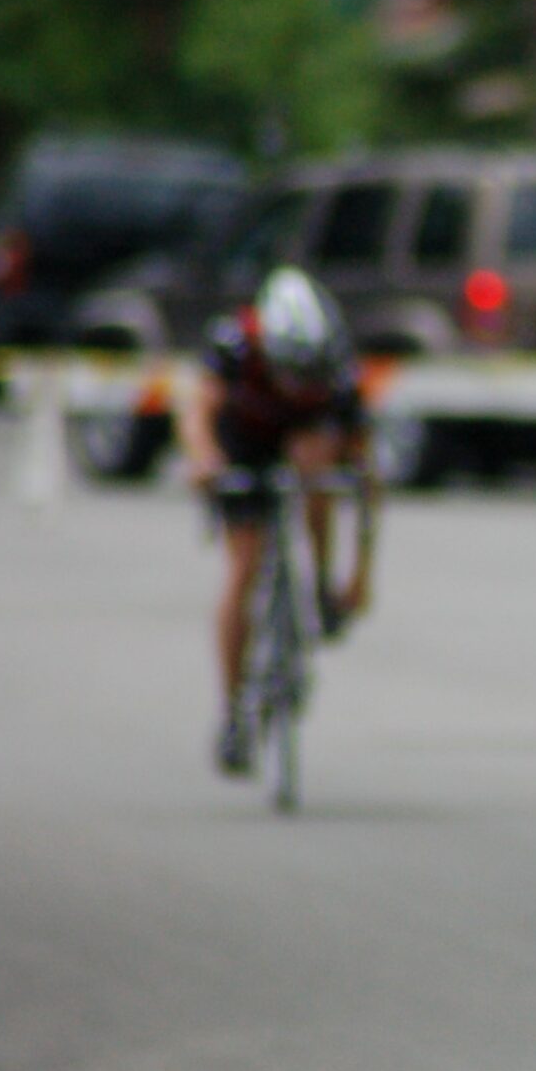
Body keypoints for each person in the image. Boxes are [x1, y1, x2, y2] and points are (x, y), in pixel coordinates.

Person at [177, 266, 384, 775]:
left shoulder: (340, 375)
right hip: (243, 444)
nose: (300, 385)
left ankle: (317, 584)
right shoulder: (236, 345)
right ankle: (232, 712)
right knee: (243, 567)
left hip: (302, 443)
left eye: (310, 376)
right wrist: (203, 459)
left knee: (317, 470)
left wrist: (358, 578)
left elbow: (366, 482)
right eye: (293, 373)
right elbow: (197, 411)